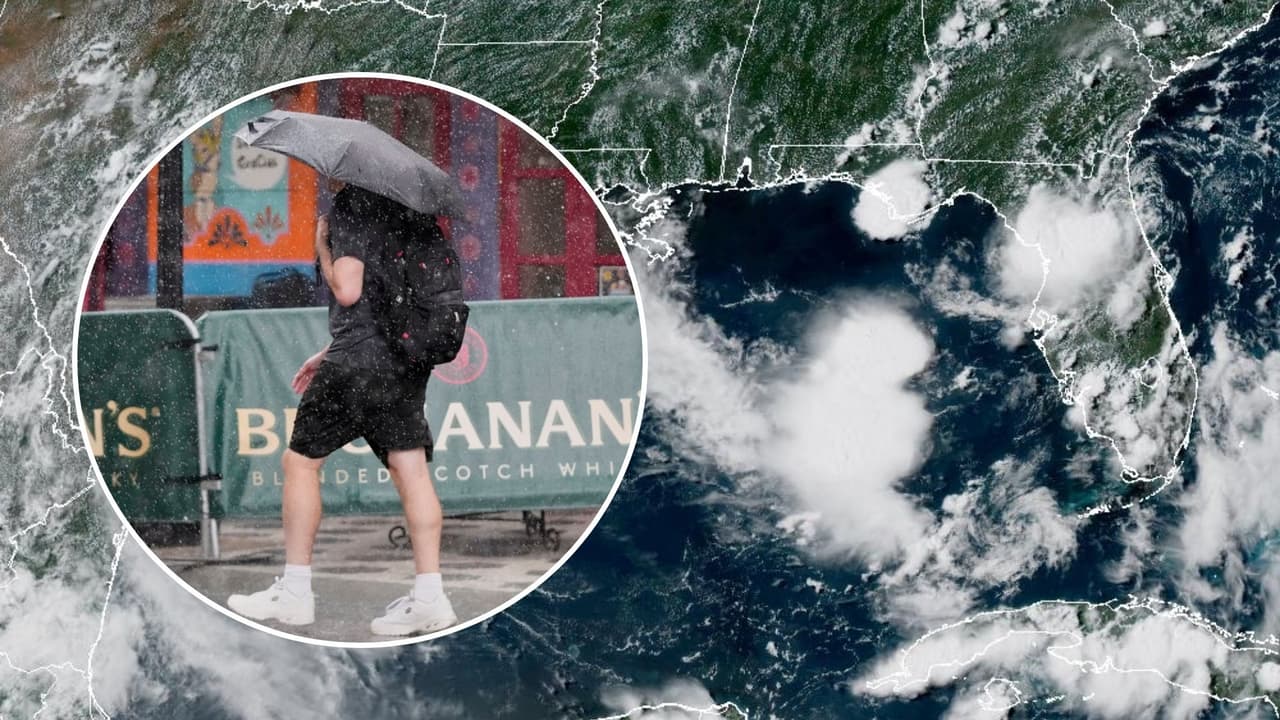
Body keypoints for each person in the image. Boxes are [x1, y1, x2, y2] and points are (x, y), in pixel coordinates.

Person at [227, 182, 457, 636]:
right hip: (404, 362)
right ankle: (431, 597)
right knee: (410, 471)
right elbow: (389, 301)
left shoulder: (353, 206)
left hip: (356, 362)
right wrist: (328, 348)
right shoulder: (413, 214)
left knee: (300, 463)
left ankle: (295, 593)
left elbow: (349, 291)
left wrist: (321, 244)